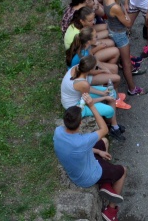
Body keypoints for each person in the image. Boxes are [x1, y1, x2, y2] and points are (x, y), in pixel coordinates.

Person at [54, 91, 128, 221]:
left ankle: (106, 184)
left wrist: (98, 152)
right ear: (81, 123)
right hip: (88, 177)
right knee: (122, 171)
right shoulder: (83, 141)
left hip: (78, 167)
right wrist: (92, 106)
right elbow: (104, 129)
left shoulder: (58, 132)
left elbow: (80, 149)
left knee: (104, 143)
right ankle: (111, 211)